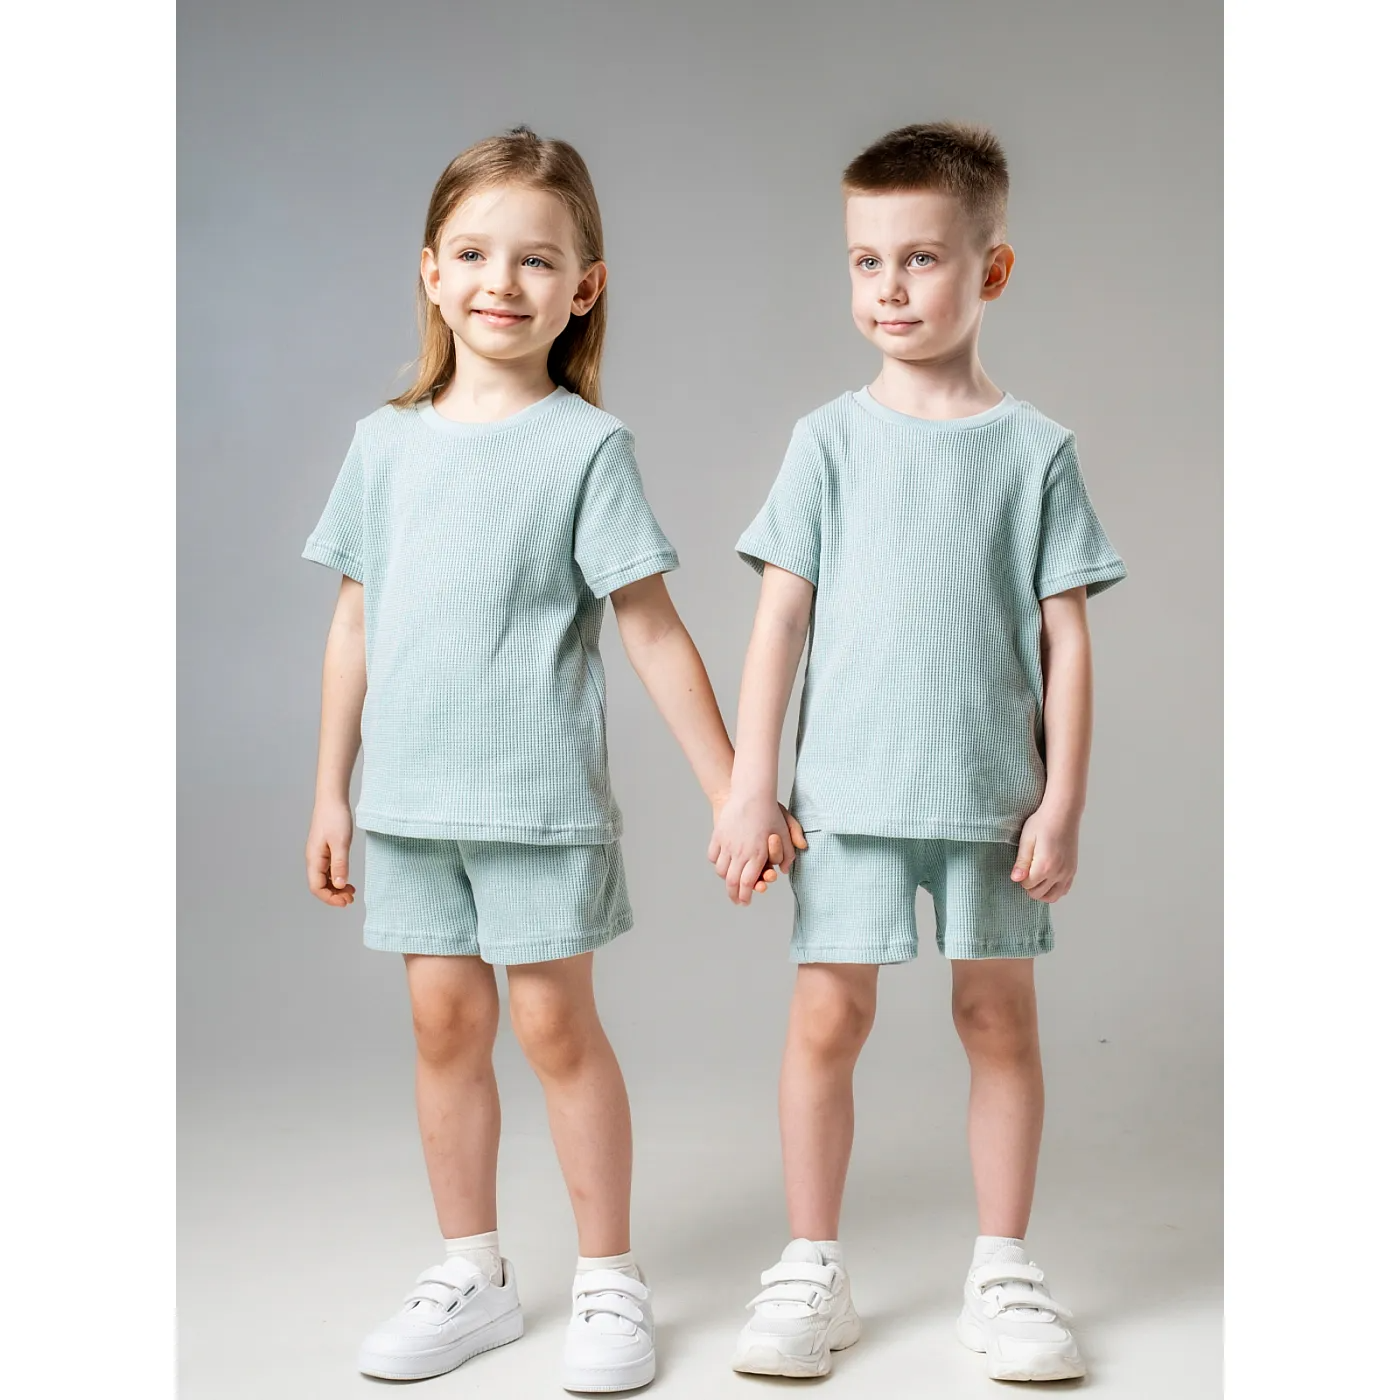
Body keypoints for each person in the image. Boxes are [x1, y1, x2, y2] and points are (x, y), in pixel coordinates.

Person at [302, 125, 797, 1393]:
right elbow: (354, 623)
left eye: (535, 258)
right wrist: (330, 791)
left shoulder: (585, 447)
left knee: (553, 1025)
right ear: (429, 270)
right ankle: (469, 1269)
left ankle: (607, 1277)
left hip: (536, 801)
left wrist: (735, 788)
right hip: (407, 805)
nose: (500, 282)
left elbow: (650, 627)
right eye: (472, 252)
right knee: (442, 1024)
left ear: (584, 285)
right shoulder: (383, 443)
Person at [710, 121, 1126, 1384]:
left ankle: (1002, 1267)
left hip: (991, 802)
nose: (887, 288)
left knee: (996, 1017)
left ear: (989, 270)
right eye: (864, 261)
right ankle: (811, 1264)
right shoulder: (825, 441)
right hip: (843, 799)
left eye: (920, 259)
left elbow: (1064, 641)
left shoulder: (1034, 450)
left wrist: (1060, 801)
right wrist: (749, 783)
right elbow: (779, 620)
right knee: (824, 1016)